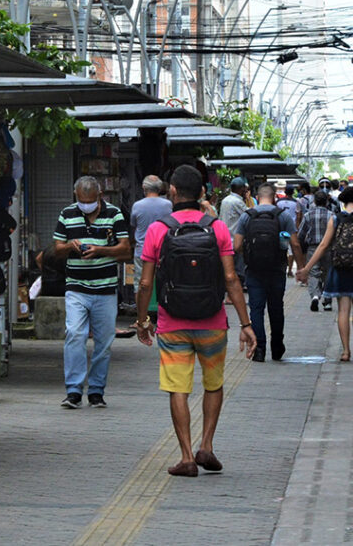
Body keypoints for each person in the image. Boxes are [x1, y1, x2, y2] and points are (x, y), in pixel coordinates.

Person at [135, 164, 255, 478]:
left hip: (171, 323)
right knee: (213, 385)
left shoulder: (158, 229)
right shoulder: (216, 228)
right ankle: (207, 445)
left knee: (179, 389)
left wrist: (142, 320)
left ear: (171, 191)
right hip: (212, 321)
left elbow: (145, 284)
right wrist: (246, 323)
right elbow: (230, 278)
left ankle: (187, 456)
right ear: (202, 193)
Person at [54, 176, 131, 409]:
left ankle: (96, 390)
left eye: (89, 200)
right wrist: (69, 246)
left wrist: (100, 251)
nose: (85, 205)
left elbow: (126, 251)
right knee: (74, 334)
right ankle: (74, 390)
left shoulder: (114, 214)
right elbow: (56, 250)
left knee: (104, 342)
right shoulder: (67, 214)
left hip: (105, 288)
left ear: (99, 196)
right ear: (76, 196)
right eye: (81, 200)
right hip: (76, 287)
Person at [296, 186, 353, 362]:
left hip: (339, 268)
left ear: (343, 201)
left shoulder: (335, 218)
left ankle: (345, 351)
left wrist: (307, 268)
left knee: (343, 310)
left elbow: (323, 245)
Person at [233, 183, 306, 362]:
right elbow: (295, 244)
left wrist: (250, 253)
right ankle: (277, 347)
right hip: (277, 269)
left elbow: (236, 246)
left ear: (258, 197)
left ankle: (259, 348)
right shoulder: (283, 216)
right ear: (274, 198)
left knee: (256, 309)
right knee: (276, 308)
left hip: (254, 270)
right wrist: (301, 268)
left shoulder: (246, 216)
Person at [129, 175, 172, 310]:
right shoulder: (168, 205)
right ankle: (163, 313)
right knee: (164, 282)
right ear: (160, 188)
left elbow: (133, 224)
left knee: (140, 284)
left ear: (144, 188)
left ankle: (141, 318)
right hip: (163, 249)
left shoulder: (137, 206)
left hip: (142, 249)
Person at [298, 189, 334, 312]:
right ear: (326, 201)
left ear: (314, 201)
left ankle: (315, 296)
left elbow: (301, 234)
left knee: (313, 272)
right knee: (328, 272)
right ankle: (328, 300)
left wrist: (301, 249)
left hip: (313, 248)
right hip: (329, 248)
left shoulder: (308, 215)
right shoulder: (332, 215)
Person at [219, 177, 250, 287]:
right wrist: (248, 198)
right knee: (238, 269)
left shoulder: (225, 200)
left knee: (228, 268)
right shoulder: (237, 202)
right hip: (235, 240)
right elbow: (250, 215)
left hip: (225, 238)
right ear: (241, 189)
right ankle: (236, 290)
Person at [276, 183, 299, 278]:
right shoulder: (296, 202)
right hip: (291, 229)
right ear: (293, 192)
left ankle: (281, 268)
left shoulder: (278, 202)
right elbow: (298, 216)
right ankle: (289, 270)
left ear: (285, 191)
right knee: (291, 250)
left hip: (280, 228)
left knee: (281, 248)